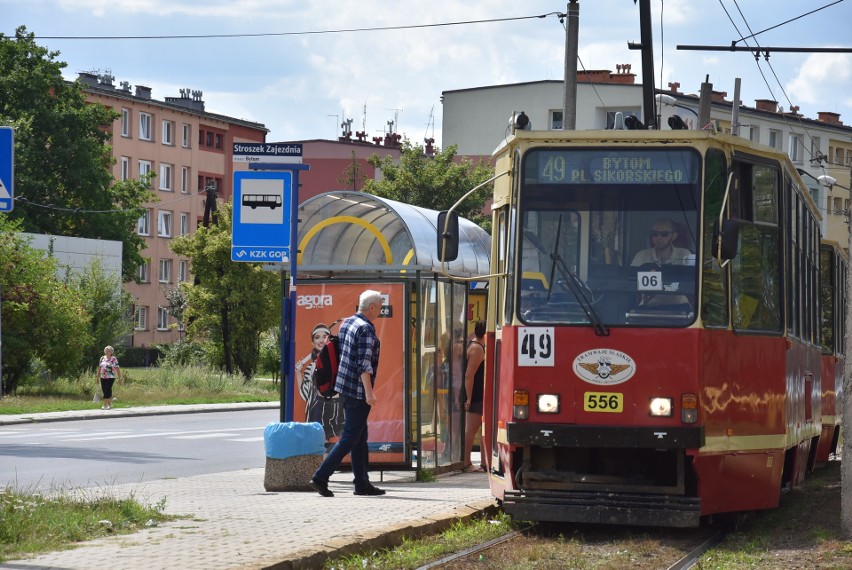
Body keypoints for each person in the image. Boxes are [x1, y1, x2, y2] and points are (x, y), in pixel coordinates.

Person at [309, 290, 385, 498]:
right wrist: (369, 394)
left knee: (360, 436)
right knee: (351, 437)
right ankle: (321, 476)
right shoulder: (366, 329)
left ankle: (362, 483)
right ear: (371, 307)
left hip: (343, 387)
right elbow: (364, 364)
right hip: (358, 391)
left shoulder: (348, 323)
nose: (380, 310)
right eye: (379, 306)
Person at [297, 322, 344, 442]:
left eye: (325, 336)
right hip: (319, 408)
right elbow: (305, 395)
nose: (321, 340)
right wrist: (298, 372)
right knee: (321, 443)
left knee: (344, 442)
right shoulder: (311, 367)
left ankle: (334, 460)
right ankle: (325, 461)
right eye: (317, 337)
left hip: (340, 407)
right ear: (312, 342)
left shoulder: (341, 360)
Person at [462, 320, 486, 472]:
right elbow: (469, 375)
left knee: (482, 429)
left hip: (478, 394)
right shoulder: (477, 348)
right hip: (476, 394)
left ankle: (484, 463)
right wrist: (469, 398)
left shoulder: (476, 345)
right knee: (471, 429)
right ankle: (466, 463)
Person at [96, 345, 122, 410]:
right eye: (106, 350)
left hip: (111, 377)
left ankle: (104, 404)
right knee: (104, 390)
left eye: (109, 351)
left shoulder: (113, 359)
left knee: (107, 389)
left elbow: (117, 368)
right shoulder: (102, 358)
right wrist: (97, 377)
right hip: (103, 377)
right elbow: (99, 368)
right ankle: (110, 404)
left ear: (111, 352)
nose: (107, 352)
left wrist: (120, 378)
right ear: (105, 351)